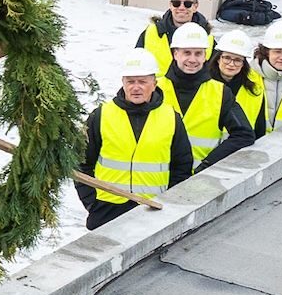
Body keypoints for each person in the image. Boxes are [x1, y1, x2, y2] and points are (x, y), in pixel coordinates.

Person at [76, 50, 194, 230]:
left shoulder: (171, 117)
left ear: (154, 84)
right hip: (106, 208)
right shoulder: (101, 115)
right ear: (123, 83)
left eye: (142, 81)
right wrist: (92, 202)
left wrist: (167, 203)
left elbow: (182, 167)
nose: (135, 87)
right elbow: (80, 163)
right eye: (130, 81)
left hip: (152, 209)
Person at [157, 22, 254, 168]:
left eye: (198, 53)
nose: (192, 59)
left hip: (198, 179)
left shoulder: (220, 92)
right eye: (187, 53)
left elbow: (244, 134)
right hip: (159, 178)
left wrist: (209, 162)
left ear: (205, 55)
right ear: (175, 53)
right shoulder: (156, 89)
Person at [134, 0, 213, 76]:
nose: (181, 8)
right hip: (157, 90)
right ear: (170, 5)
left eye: (187, 4)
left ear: (195, 6)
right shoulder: (151, 33)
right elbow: (135, 68)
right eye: (176, 3)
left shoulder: (208, 37)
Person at [212, 29, 266, 133]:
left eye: (237, 60)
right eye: (227, 58)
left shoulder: (254, 90)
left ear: (243, 63)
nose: (231, 64)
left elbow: (260, 127)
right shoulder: (204, 85)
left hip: (242, 147)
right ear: (218, 59)